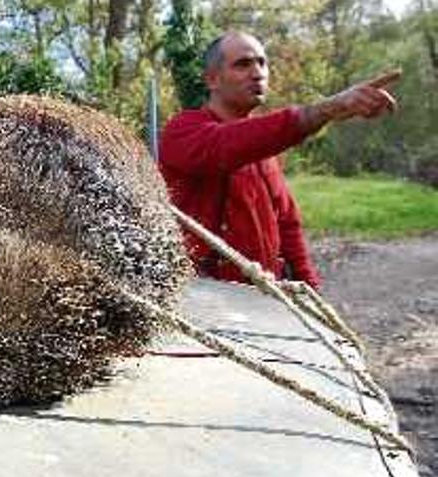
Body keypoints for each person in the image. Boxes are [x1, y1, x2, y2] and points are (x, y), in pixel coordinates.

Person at [158, 31, 399, 289]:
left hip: (265, 300)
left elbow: (287, 225)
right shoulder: (183, 131)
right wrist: (329, 108)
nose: (257, 72)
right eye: (243, 64)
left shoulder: (266, 149)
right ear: (212, 79)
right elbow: (226, 146)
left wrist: (311, 292)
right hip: (201, 301)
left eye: (262, 62)